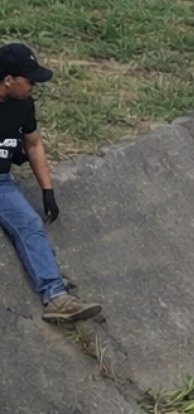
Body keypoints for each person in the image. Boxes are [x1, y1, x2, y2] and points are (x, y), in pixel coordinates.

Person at [0, 43, 101, 323]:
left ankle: (56, 298)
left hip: (1, 184)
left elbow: (33, 144)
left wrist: (47, 190)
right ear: (8, 79)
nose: (34, 86)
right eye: (29, 81)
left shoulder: (23, 105)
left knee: (31, 225)